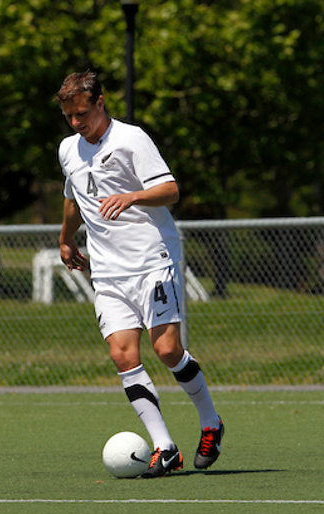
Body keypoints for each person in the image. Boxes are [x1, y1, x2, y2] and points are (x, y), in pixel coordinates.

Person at [56, 71, 224, 478]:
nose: (76, 123)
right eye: (68, 116)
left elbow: (170, 190)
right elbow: (73, 197)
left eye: (82, 113)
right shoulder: (67, 149)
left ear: (100, 102)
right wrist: (65, 240)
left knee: (167, 351)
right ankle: (166, 448)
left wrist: (133, 195)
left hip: (153, 259)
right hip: (109, 270)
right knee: (122, 354)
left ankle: (211, 422)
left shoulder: (132, 139)